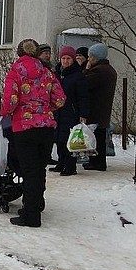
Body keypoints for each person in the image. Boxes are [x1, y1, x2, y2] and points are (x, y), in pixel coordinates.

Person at [0, 38, 66, 227]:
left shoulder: (16, 71)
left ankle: (31, 216)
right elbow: (60, 99)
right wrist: (45, 108)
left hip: (25, 128)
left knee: (29, 172)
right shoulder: (47, 72)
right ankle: (37, 205)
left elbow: (10, 101)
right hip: (46, 127)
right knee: (39, 170)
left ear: (20, 53)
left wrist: (6, 113)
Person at [52, 46, 89, 176]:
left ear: (73, 60)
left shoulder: (78, 76)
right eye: (63, 58)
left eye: (68, 58)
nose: (65, 61)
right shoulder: (56, 74)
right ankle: (61, 163)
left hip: (71, 112)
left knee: (70, 140)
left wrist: (83, 114)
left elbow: (83, 97)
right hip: (58, 112)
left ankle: (70, 166)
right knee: (58, 139)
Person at [83, 42, 118, 171]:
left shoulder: (98, 71)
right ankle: (98, 162)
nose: (88, 59)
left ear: (96, 57)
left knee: (95, 137)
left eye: (90, 56)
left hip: (96, 108)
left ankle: (96, 162)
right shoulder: (109, 70)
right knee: (100, 136)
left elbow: (84, 83)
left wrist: (86, 69)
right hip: (103, 108)